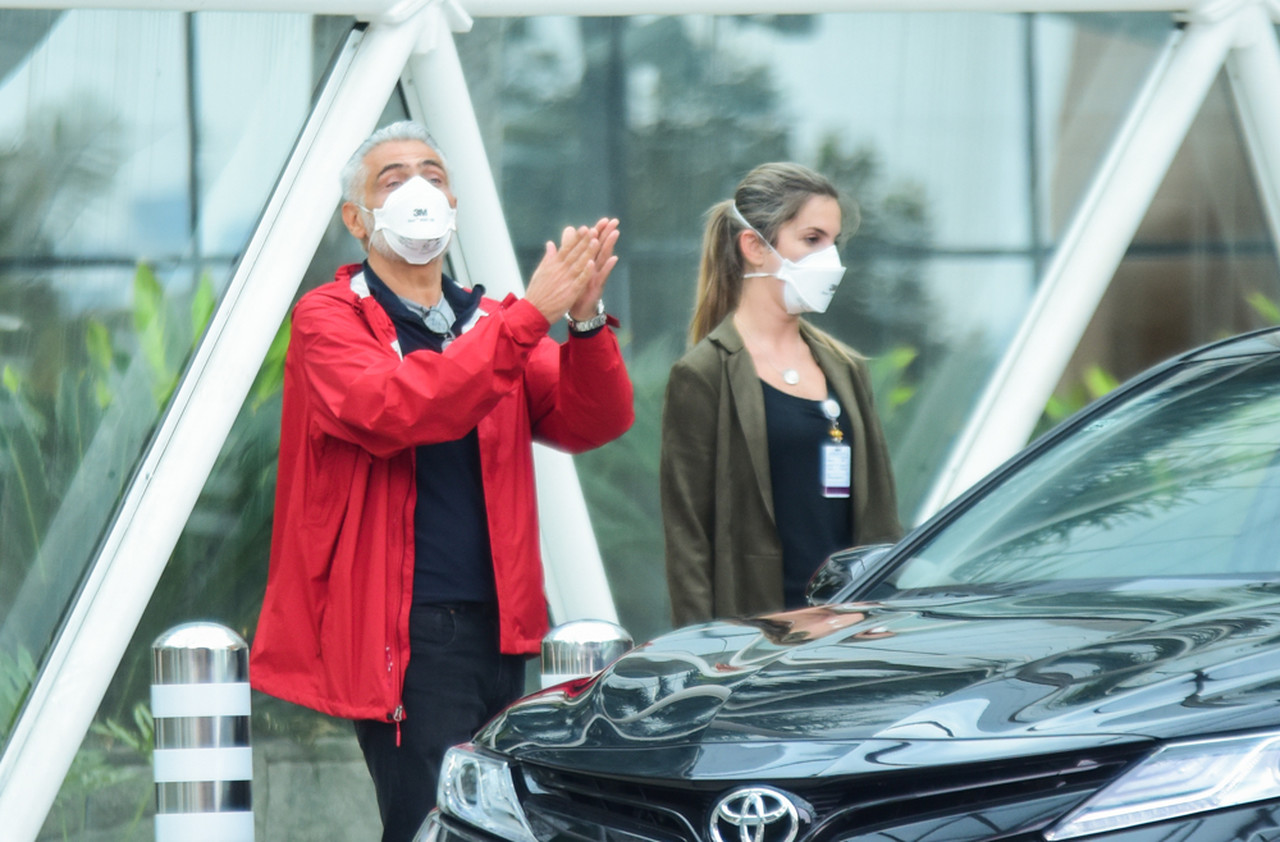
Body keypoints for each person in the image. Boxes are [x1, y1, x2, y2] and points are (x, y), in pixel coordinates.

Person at [248, 120, 634, 842]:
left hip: (503, 631)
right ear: (355, 219)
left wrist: (582, 324)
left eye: (432, 173)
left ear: (454, 202)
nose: (418, 189)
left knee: (504, 827)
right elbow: (397, 408)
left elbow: (591, 420)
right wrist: (529, 319)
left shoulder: (486, 319)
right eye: (392, 179)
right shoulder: (328, 318)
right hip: (407, 636)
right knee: (433, 827)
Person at [661, 162, 900, 628]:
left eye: (834, 242)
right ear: (753, 246)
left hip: (849, 634)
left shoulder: (846, 370)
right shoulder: (704, 373)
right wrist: (701, 652)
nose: (829, 258)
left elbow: (881, 516)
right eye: (812, 240)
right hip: (759, 643)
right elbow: (687, 539)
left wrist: (883, 622)